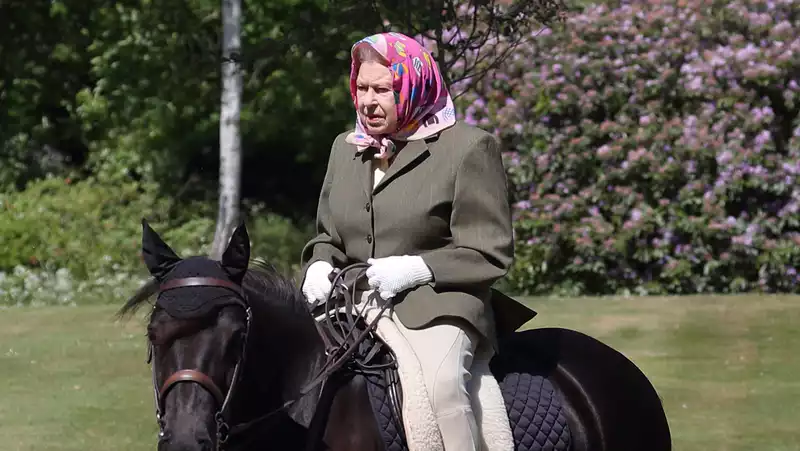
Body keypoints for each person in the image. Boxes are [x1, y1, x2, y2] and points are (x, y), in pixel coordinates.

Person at [299, 32, 532, 450]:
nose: (368, 101)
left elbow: (490, 252)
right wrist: (318, 262)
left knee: (443, 388)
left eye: (382, 90)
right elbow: (327, 236)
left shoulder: (469, 149)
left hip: (439, 302)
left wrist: (417, 269)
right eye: (362, 88)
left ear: (413, 86)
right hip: (353, 302)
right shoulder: (344, 148)